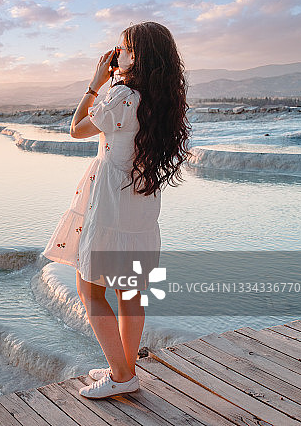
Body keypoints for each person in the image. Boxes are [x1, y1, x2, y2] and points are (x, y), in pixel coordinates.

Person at [43, 21, 191, 399]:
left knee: (89, 289)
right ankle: (122, 367)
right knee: (130, 292)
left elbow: (75, 129)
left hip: (110, 204)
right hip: (141, 204)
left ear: (137, 56)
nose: (116, 53)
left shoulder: (120, 96)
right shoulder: (161, 99)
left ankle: (123, 376)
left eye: (122, 48)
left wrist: (95, 83)